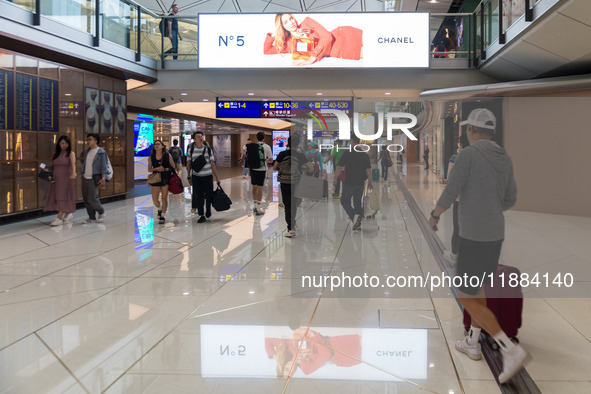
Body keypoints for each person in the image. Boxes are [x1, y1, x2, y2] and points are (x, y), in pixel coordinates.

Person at [428, 108, 528, 384]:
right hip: (495, 235)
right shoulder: (503, 156)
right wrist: (491, 207)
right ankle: (472, 341)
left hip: (473, 236)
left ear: (469, 130)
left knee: (466, 296)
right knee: (479, 288)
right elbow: (511, 198)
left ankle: (510, 349)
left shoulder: (468, 155)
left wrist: (435, 215)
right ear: (492, 131)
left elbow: (451, 190)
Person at [264, 13, 363, 66]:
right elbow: (267, 51)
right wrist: (273, 35)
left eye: (291, 18)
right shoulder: (289, 44)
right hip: (338, 51)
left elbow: (327, 36)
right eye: (285, 22)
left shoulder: (307, 21)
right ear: (282, 26)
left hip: (342, 35)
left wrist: (312, 58)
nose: (291, 23)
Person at [334, 134, 373, 231]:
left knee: (344, 201)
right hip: (360, 182)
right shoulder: (364, 154)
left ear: (351, 141)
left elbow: (339, 166)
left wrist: (335, 178)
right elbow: (368, 169)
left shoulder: (347, 153)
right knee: (357, 203)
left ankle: (354, 218)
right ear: (359, 141)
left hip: (349, 182)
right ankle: (357, 224)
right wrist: (370, 182)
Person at [274, 135, 307, 238]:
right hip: (296, 182)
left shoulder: (282, 154)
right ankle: (292, 224)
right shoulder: (300, 155)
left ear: (287, 143)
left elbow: (275, 167)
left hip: (284, 182)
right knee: (293, 204)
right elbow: (310, 168)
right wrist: (300, 167)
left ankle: (290, 228)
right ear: (298, 144)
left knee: (287, 205)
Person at [187, 131, 221, 223]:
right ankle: (201, 215)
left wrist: (217, 177)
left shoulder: (208, 150)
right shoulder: (191, 150)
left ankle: (208, 209)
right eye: (198, 137)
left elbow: (213, 164)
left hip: (208, 176)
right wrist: (188, 176)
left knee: (209, 194)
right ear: (194, 140)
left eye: (201, 136)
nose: (201, 138)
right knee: (199, 196)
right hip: (196, 177)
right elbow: (188, 164)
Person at [44, 135, 76, 226]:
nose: (64, 145)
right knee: (58, 195)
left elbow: (73, 164)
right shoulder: (56, 154)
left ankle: (59, 217)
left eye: (66, 143)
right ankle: (68, 213)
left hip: (66, 177)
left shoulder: (71, 153)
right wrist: (48, 169)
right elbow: (54, 166)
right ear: (59, 144)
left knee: (62, 195)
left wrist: (74, 173)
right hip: (56, 178)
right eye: (62, 143)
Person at [444, 141, 464, 266]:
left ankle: (455, 255)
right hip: (475, 201)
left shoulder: (455, 158)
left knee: (457, 228)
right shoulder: (481, 157)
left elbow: (450, 179)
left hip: (460, 200)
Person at [81, 133, 107, 224]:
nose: (88, 141)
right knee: (86, 198)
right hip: (85, 177)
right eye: (87, 139)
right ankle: (91, 217)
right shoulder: (87, 151)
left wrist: (103, 178)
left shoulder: (101, 152)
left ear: (96, 141)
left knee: (92, 198)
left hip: (94, 178)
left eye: (90, 139)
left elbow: (104, 166)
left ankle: (101, 211)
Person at [148, 140, 174, 224]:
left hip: (165, 177)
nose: (157, 145)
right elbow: (149, 169)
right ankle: (159, 208)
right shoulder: (151, 157)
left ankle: (162, 215)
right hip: (156, 178)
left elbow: (173, 167)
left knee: (164, 197)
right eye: (155, 144)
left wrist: (166, 169)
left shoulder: (167, 155)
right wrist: (157, 169)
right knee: (154, 199)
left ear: (162, 146)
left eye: (158, 144)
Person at [247, 131, 273, 215]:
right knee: (260, 188)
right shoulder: (267, 146)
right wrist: (265, 160)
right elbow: (271, 159)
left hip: (253, 168)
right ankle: (258, 207)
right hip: (262, 169)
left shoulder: (252, 146)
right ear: (264, 138)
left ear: (256, 137)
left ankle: (254, 205)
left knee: (254, 187)